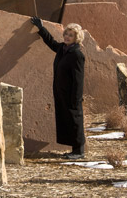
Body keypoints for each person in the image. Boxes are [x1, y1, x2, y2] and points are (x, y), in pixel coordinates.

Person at [31, 16, 85, 159]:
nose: (67, 37)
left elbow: (78, 80)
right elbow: (52, 42)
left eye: (71, 35)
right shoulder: (63, 49)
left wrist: (76, 99)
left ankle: (79, 151)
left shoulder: (77, 55)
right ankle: (74, 150)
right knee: (66, 120)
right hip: (60, 93)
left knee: (75, 120)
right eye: (66, 34)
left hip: (71, 95)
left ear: (76, 38)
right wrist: (41, 28)